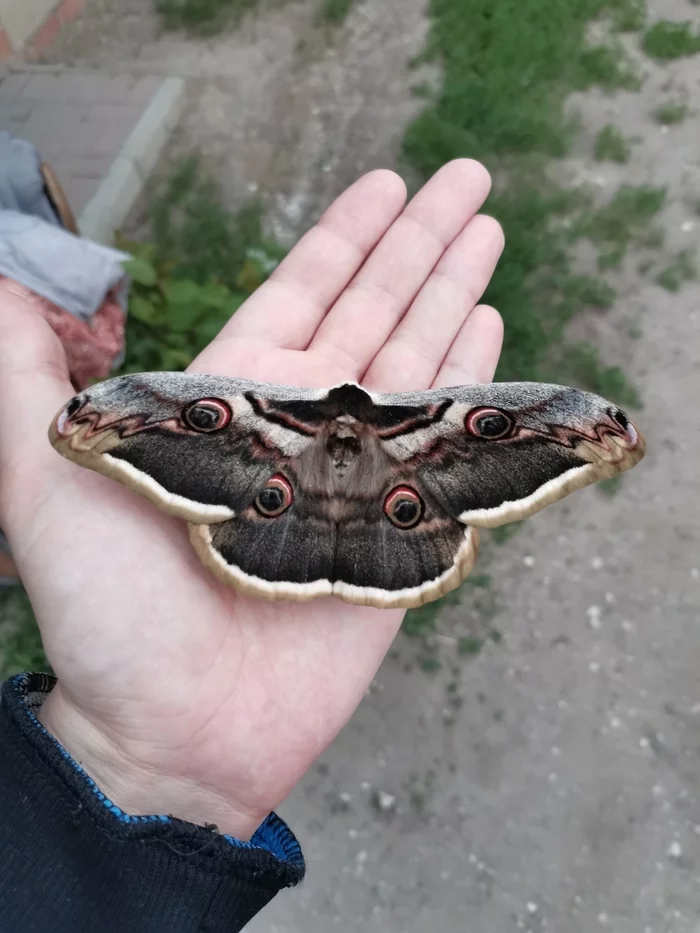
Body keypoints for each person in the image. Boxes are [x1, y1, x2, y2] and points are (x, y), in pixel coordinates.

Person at [0, 159, 504, 931]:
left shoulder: (259, 417)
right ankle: (349, 518)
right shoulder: (417, 422)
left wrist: (124, 770)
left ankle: (294, 512)